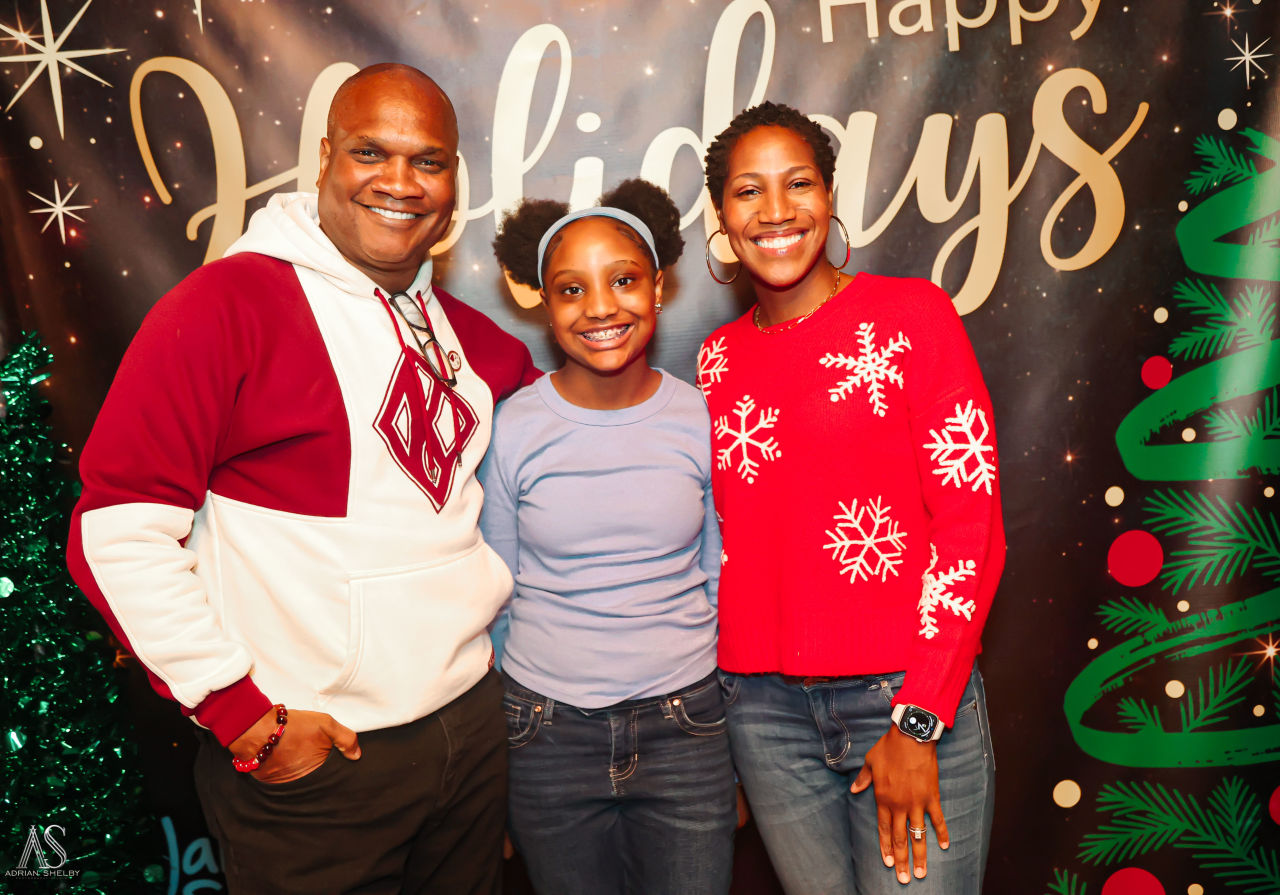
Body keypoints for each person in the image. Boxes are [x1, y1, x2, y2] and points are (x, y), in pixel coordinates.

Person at [66, 63, 537, 894]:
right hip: (318, 765)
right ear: (324, 158)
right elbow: (117, 531)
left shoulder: (471, 341)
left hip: (467, 734)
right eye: (370, 152)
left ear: (454, 180)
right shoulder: (224, 307)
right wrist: (239, 714)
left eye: (428, 161)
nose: (400, 182)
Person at [696, 101, 1004, 894]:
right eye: (748, 191)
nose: (775, 211)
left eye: (798, 183)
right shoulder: (715, 361)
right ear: (722, 217)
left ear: (829, 195)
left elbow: (971, 526)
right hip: (762, 714)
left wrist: (919, 716)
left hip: (901, 697)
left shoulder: (914, 316)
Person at [481, 179, 737, 895]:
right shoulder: (512, 427)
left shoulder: (700, 417)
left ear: (658, 286)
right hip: (544, 733)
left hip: (688, 726)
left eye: (623, 280)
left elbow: (720, 581)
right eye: (572, 289)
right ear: (544, 301)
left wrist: (737, 758)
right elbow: (495, 594)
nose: (600, 307)